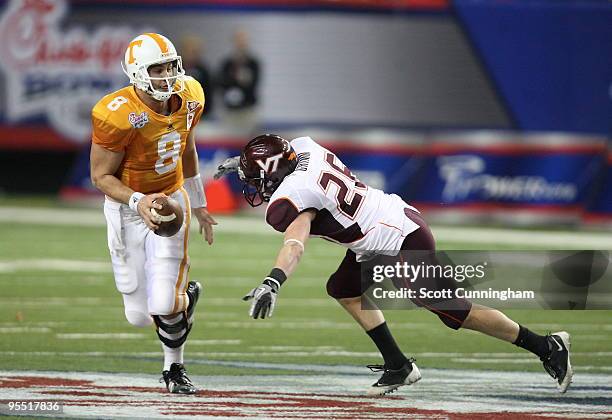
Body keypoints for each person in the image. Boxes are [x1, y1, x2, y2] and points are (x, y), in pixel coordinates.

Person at [214, 134, 573, 396]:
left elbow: (295, 243)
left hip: (399, 237)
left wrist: (273, 280)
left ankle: (546, 346)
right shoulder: (304, 148)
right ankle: (399, 365)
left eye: (254, 177)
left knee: (452, 312)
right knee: (343, 289)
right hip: (379, 228)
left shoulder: (294, 199)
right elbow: (284, 154)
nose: (252, 184)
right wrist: (242, 163)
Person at [90, 32, 217, 394]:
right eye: (156, 69)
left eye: (170, 66)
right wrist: (136, 202)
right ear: (135, 74)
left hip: (169, 199)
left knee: (163, 302)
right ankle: (187, 298)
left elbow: (187, 145)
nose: (166, 75)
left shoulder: (190, 95)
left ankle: (173, 369)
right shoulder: (115, 114)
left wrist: (201, 203)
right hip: (127, 208)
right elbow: (100, 176)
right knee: (139, 316)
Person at [218, 30, 260, 134]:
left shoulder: (253, 63)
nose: (240, 43)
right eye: (238, 40)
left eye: (243, 40)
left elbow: (254, 84)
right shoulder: (227, 64)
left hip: (247, 110)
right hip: (230, 111)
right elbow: (221, 83)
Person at [181, 35, 215, 117]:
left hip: (201, 116)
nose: (191, 54)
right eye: (188, 50)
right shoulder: (176, 69)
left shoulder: (204, 70)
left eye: (194, 51)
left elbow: (209, 93)